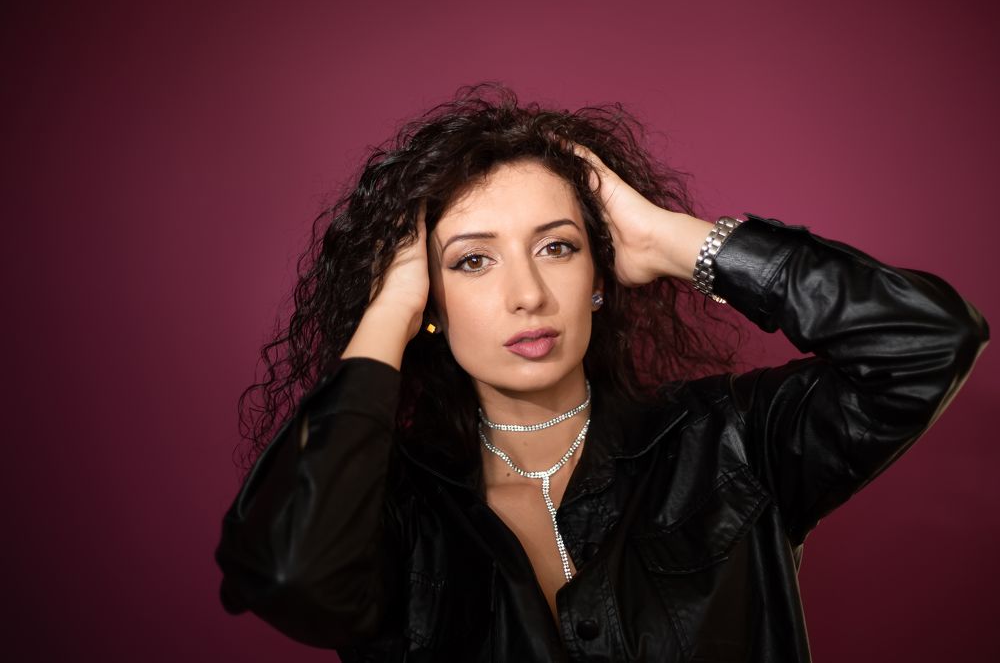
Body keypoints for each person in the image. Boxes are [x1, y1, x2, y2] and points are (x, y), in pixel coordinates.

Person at [215, 84, 988, 662]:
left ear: (598, 276)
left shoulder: (732, 444)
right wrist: (390, 309)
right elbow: (287, 572)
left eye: (557, 247)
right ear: (431, 302)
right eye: (473, 261)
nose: (527, 295)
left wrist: (674, 240)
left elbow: (928, 341)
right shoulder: (396, 512)